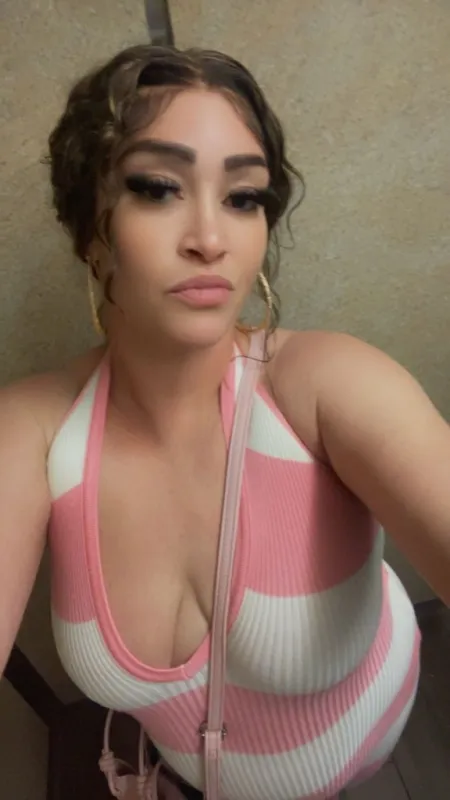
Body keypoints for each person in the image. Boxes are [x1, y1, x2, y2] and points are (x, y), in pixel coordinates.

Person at [0, 43, 449, 800]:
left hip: (374, 729)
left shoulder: (326, 385)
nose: (211, 238)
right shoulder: (32, 429)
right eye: (157, 188)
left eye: (244, 198)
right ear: (89, 230)